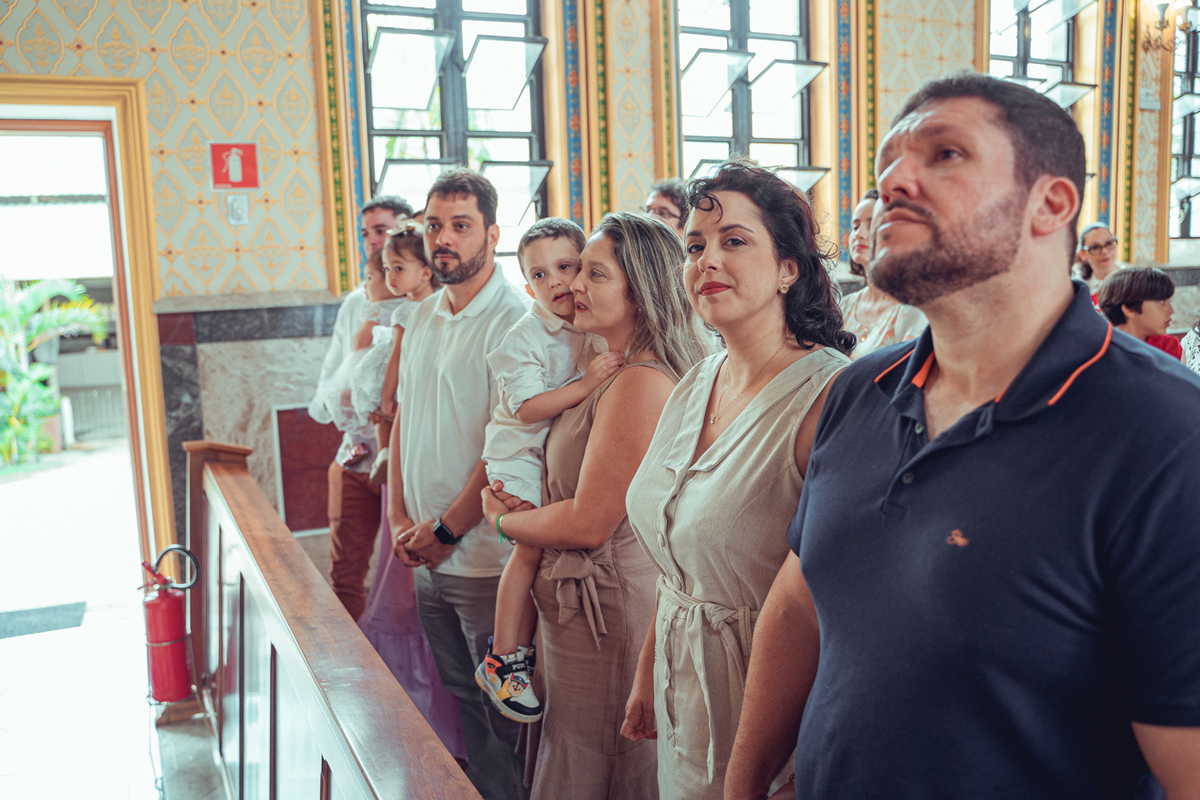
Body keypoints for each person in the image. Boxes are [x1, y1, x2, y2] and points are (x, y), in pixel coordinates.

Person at [726, 74, 1200, 800]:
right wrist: (744, 784)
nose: (893, 181)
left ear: (1051, 203)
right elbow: (802, 600)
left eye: (945, 154)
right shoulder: (863, 389)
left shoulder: (1164, 432)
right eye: (887, 162)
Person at [621, 160, 853, 800]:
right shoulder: (698, 379)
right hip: (684, 689)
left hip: (773, 711)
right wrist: (649, 671)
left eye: (734, 242)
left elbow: (842, 597)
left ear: (789, 268)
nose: (707, 260)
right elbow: (676, 555)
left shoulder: (830, 397)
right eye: (695, 247)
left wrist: (797, 765)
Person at [479, 212, 713, 799]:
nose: (573, 285)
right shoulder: (604, 370)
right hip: (577, 608)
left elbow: (588, 521)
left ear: (640, 290)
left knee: (596, 769)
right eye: (575, 269)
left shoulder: (639, 382)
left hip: (606, 607)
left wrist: (504, 521)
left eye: (594, 273)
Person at [388, 169, 531, 800]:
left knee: (505, 716)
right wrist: (400, 519)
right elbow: (401, 426)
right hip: (425, 552)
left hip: (480, 561)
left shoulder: (514, 323)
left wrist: (446, 528)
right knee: (461, 701)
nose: (442, 239)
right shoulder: (421, 317)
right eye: (435, 225)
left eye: (461, 226)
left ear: (493, 235)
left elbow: (503, 453)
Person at [475, 218, 621, 724]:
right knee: (530, 547)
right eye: (539, 275)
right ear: (525, 285)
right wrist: (585, 384)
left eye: (565, 266)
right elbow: (528, 408)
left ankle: (525, 652)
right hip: (517, 455)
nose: (555, 282)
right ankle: (503, 658)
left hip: (547, 455)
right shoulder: (523, 337)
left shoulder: (586, 325)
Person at [311, 193, 411, 620]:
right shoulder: (356, 303)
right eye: (366, 233)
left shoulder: (425, 302)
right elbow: (332, 381)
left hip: (406, 460)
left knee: (404, 577)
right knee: (345, 572)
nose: (372, 241)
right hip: (357, 454)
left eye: (383, 230)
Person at [350, 219, 440, 484]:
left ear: (426, 272)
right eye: (388, 268)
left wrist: (387, 396)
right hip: (414, 375)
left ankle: (386, 450)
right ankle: (387, 452)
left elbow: (396, 356)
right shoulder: (437, 304)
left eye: (398, 268)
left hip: (398, 374)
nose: (390, 276)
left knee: (378, 397)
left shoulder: (407, 310)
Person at [840, 189, 927, 358]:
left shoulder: (913, 310)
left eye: (872, 225)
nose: (859, 234)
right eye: (855, 226)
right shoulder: (843, 307)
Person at [1096, 267, 1182, 360]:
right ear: (1129, 309)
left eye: (1170, 302)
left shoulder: (1168, 346)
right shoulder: (1099, 350)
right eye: (1161, 302)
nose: (1171, 311)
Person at [1074, 221, 1128, 297]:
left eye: (1109, 243)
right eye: (1095, 247)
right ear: (1083, 254)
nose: (1104, 251)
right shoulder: (1079, 286)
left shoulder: (1131, 281)